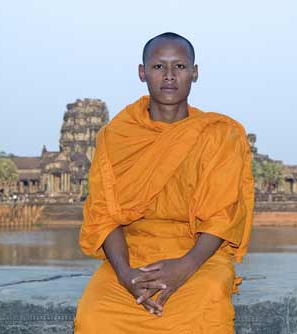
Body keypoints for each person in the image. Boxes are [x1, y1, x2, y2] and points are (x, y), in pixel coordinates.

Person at [74, 32, 254, 333]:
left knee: (206, 308)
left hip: (199, 255)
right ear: (142, 72)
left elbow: (222, 217)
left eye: (180, 67)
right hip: (132, 256)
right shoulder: (117, 136)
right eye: (158, 67)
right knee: (94, 317)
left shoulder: (221, 135)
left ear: (194, 73)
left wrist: (184, 268)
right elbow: (104, 214)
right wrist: (126, 275)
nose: (169, 76)